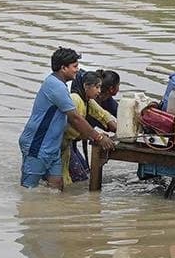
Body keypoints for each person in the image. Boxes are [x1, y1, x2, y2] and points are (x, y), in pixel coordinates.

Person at [19, 47, 116, 191]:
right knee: (28, 191)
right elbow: (75, 118)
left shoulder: (61, 86)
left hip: (52, 147)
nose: (77, 70)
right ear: (63, 68)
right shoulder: (55, 86)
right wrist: (99, 138)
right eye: (74, 66)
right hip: (38, 145)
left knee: (56, 188)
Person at [61, 71, 118, 184]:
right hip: (58, 146)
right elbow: (70, 130)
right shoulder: (75, 99)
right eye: (96, 87)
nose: (99, 91)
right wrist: (98, 138)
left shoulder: (88, 101)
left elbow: (103, 115)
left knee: (84, 175)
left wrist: (122, 132)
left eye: (100, 87)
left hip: (67, 145)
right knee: (75, 180)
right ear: (86, 87)